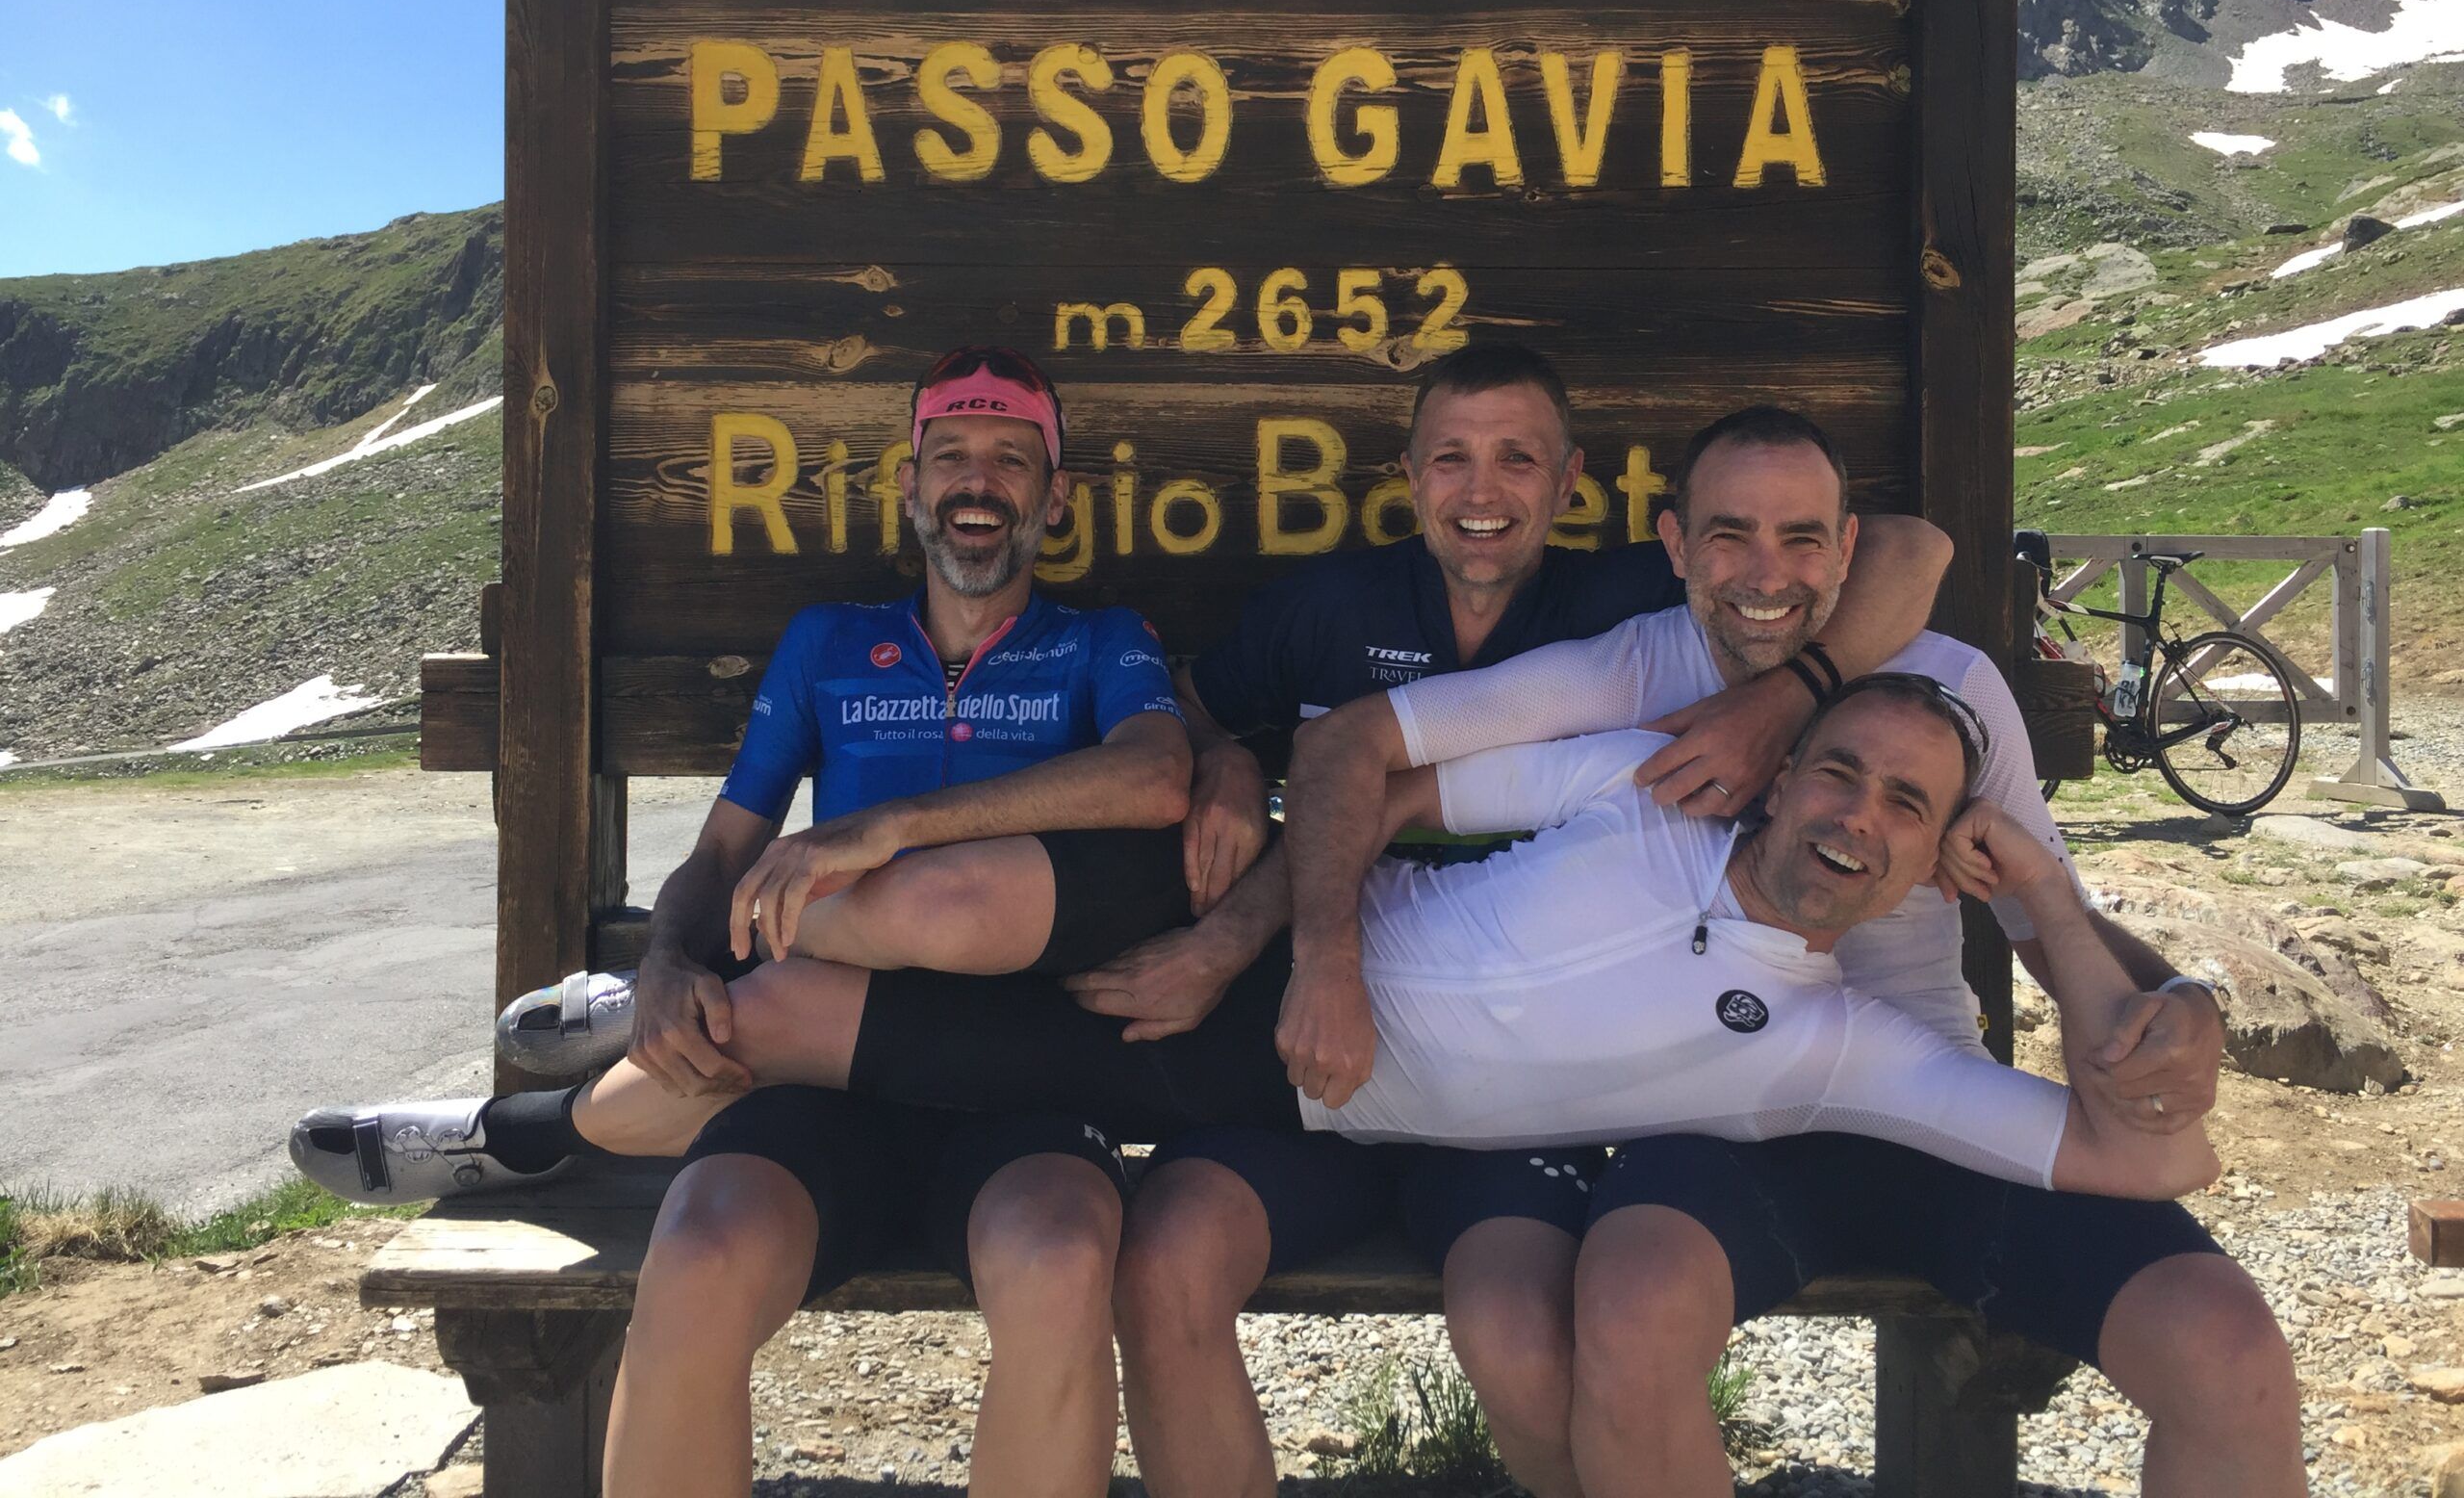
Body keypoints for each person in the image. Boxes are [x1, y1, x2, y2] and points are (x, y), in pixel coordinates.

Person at [1269, 405, 2299, 1498]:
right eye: (1730, 535)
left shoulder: (1948, 686)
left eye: (1802, 538)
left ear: (1845, 551)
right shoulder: (1631, 671)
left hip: (1929, 1098)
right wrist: (1293, 943)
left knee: (2224, 1350)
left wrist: (2180, 1002)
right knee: (1629, 1307)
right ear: (1676, 546)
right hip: (1716, 1126)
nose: (1766, 573)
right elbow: (1361, 760)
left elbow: (2041, 928)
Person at [292, 344, 1194, 1498]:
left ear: (1053, 495)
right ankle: (527, 1117)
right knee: (701, 1254)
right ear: (909, 485)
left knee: (1065, 1262)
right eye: (952, 457)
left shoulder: (1101, 641)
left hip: (1020, 1075)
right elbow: (723, 851)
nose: (980, 483)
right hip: (811, 1087)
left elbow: (1155, 775)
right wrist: (667, 961)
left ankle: (527, 1127)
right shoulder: (827, 640)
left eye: (1012, 460)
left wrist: (894, 828)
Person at [1065, 354, 1957, 1498]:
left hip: (1517, 1086)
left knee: (1522, 1342)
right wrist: (1228, 759)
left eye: (1518, 460)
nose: (1481, 492)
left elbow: (1909, 548)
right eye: (1451, 458)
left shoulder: (1623, 599)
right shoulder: (1328, 607)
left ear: (1571, 483)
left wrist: (1790, 693)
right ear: (1409, 476)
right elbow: (1185, 709)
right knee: (1164, 1266)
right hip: (1318, 1050)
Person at [568, 676, 2222, 1209]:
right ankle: (605, 1001)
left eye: (1910, 809)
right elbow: (1358, 772)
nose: (1856, 814)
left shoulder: (1839, 1049)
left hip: (1245, 1080)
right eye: (1841, 769)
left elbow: (2144, 1161)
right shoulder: (1638, 788)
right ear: (1784, 771)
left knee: (783, 1019)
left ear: (1933, 864)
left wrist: (2049, 909)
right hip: (1240, 930)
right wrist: (1299, 948)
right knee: (921, 909)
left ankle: (523, 1121)